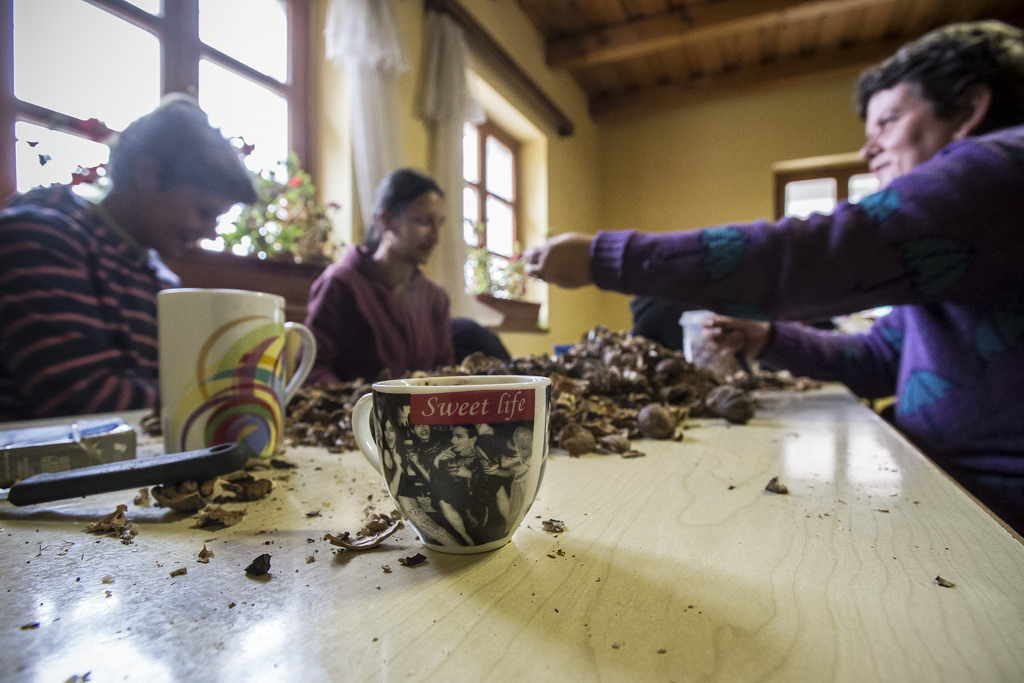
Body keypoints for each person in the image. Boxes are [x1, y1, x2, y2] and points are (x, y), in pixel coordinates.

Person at [522, 21, 1024, 534]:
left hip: (1000, 517)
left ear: (967, 108)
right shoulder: (954, 257)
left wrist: (604, 257)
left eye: (888, 121)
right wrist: (767, 339)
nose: (869, 149)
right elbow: (879, 360)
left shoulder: (1004, 168)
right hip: (946, 487)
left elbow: (815, 253)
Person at [0, 94, 256, 422]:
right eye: (204, 212)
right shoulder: (42, 237)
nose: (211, 233)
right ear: (147, 174)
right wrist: (226, 396)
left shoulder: (159, 276)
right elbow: (84, 399)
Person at [304, 168, 508, 384]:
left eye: (439, 223)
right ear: (386, 220)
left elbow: (444, 373)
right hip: (356, 415)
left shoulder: (435, 297)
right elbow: (314, 368)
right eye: (423, 221)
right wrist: (358, 408)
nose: (436, 236)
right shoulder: (340, 284)